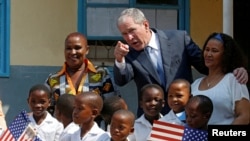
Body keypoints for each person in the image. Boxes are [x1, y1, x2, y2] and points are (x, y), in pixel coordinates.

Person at [113, 8, 248, 117]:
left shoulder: (179, 39)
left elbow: (207, 65)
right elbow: (122, 80)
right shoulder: (128, 53)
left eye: (132, 30)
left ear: (146, 25)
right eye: (124, 34)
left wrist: (236, 70)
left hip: (187, 116)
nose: (129, 38)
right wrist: (119, 60)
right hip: (153, 118)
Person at [45, 32, 116, 115]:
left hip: (93, 127)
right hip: (63, 127)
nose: (73, 52)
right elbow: (47, 110)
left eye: (77, 48)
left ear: (87, 50)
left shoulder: (101, 75)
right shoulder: (53, 79)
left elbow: (110, 107)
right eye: (68, 48)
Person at [191, 32, 250, 125]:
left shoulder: (234, 80)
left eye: (214, 51)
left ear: (225, 55)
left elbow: (245, 116)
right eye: (207, 49)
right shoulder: (195, 84)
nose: (209, 54)